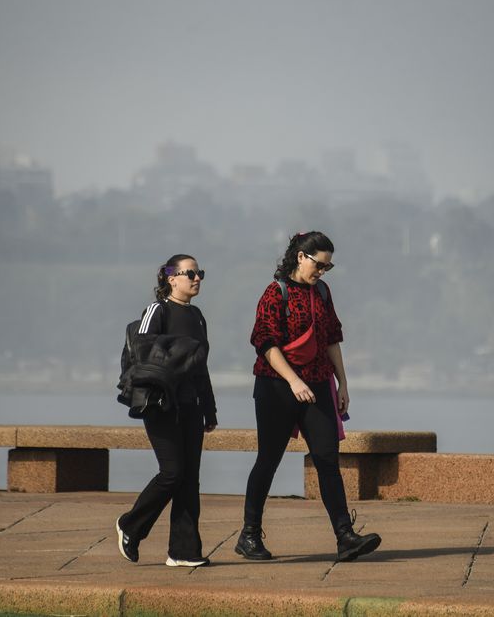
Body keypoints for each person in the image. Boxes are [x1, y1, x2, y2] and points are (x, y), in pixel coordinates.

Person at [236, 231, 381, 562]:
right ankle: (249, 536)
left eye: (328, 267)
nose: (322, 272)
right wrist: (292, 381)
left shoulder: (323, 293)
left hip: (316, 386)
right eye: (319, 264)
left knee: (328, 459)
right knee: (268, 460)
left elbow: (332, 338)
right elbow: (265, 343)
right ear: (300, 256)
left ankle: (345, 537)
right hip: (276, 385)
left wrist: (343, 383)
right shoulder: (276, 293)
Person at [116, 254, 218, 567]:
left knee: (190, 478)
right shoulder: (157, 309)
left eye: (199, 272)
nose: (196, 278)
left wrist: (209, 409)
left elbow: (200, 368)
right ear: (171, 278)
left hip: (191, 405)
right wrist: (185, 348)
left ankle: (183, 551)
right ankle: (131, 525)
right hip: (160, 404)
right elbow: (144, 346)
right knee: (172, 472)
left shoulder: (198, 316)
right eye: (189, 273)